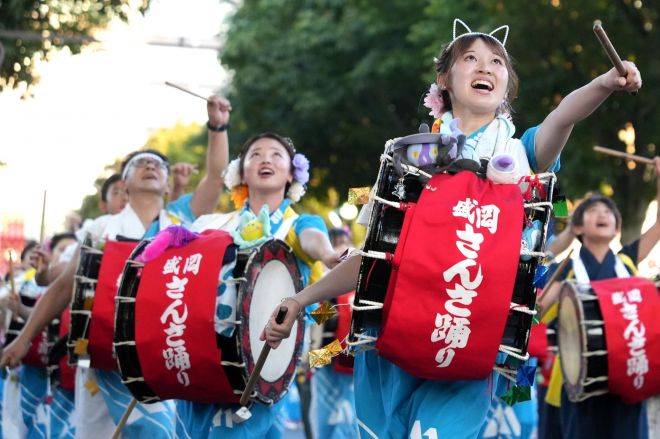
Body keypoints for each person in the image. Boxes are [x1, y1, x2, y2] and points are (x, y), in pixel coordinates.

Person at [262, 18, 642, 439]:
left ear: (507, 85)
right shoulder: (408, 159)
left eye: (497, 62)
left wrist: (605, 83)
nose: (485, 67)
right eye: (471, 59)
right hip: (391, 350)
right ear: (443, 78)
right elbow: (375, 261)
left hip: (466, 348)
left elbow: (563, 116)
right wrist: (300, 299)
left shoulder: (522, 155)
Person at [0, 95, 232, 438]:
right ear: (124, 183)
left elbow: (215, 177)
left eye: (158, 165)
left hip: (161, 359)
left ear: (168, 185)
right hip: (100, 359)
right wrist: (24, 338)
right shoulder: (99, 231)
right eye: (141, 163)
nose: (151, 166)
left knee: (159, 433)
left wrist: (218, 125)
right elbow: (63, 287)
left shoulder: (181, 222)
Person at [175, 132, 342, 438]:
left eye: (276, 154)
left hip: (264, 367)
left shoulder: (298, 224)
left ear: (292, 173)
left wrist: (330, 255)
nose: (265, 159)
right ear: (241, 172)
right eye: (255, 154)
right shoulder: (211, 225)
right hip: (204, 360)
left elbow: (314, 241)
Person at [536, 159, 660, 439]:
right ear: (578, 228)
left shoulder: (626, 260)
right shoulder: (567, 270)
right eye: (592, 211)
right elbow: (540, 312)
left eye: (607, 211)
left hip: (628, 374)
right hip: (578, 381)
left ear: (616, 228)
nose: (602, 213)